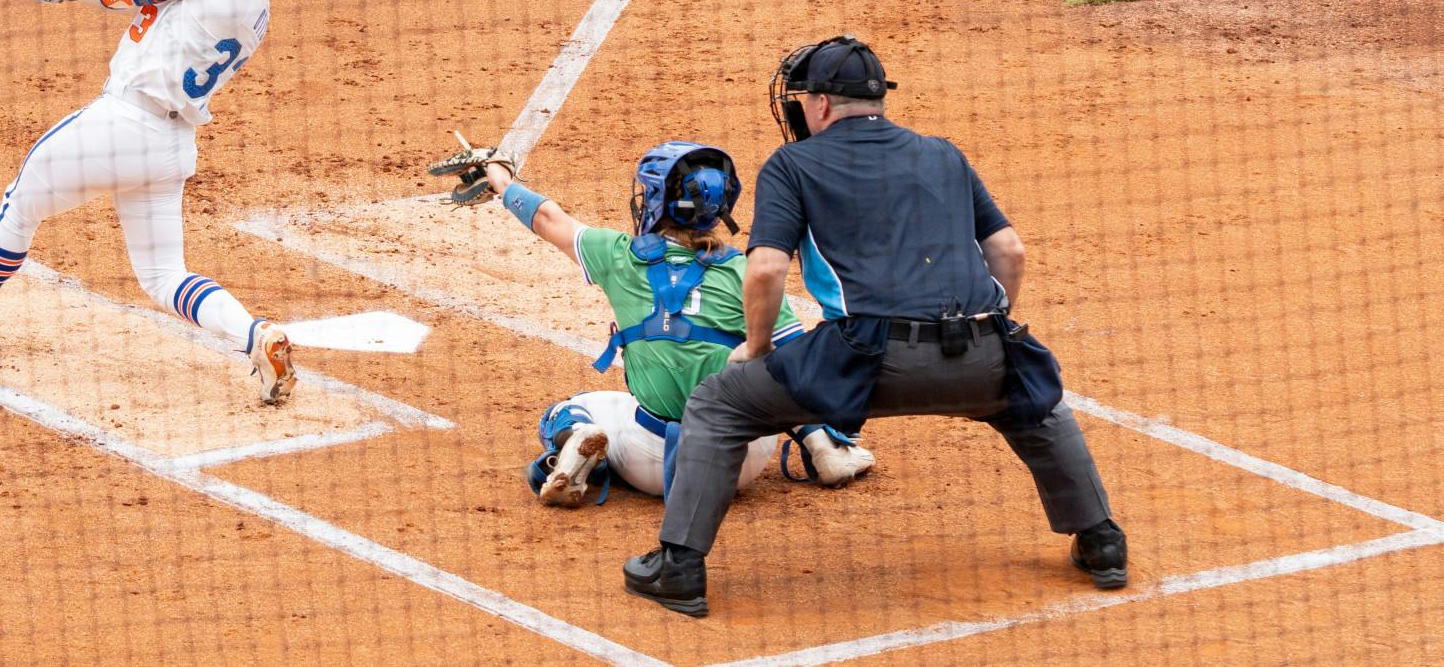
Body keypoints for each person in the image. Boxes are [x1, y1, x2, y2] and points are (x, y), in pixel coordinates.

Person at [624, 36, 1125, 618]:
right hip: (981, 350)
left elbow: (763, 268)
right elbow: (1009, 252)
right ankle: (1102, 541)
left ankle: (680, 568)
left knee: (720, 403)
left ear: (817, 104)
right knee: (1036, 403)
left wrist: (755, 349)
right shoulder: (944, 153)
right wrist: (992, 335)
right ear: (877, 100)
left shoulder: (794, 163)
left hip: (866, 365)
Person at [0, 0, 302, 406]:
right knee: (165, 276)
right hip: (170, 148)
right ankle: (256, 335)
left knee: (18, 211)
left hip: (118, 126)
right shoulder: (255, 10)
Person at [472, 143, 875, 507]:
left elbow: (546, 218)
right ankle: (826, 451)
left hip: (651, 462)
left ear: (658, 201)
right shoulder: (746, 270)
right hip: (738, 460)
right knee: (774, 367)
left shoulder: (618, 255)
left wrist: (501, 181)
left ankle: (573, 448)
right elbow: (798, 361)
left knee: (566, 410)